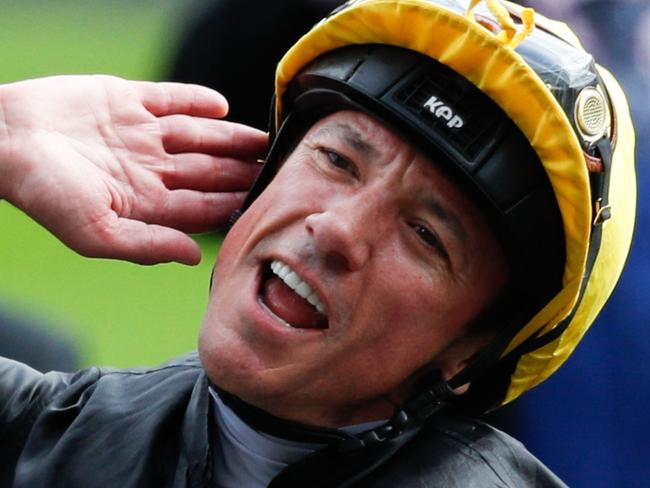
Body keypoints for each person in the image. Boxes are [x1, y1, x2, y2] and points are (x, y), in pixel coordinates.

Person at [0, 1, 636, 487]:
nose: (336, 229)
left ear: (468, 356)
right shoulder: (42, 432)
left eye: (424, 234)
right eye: (336, 160)